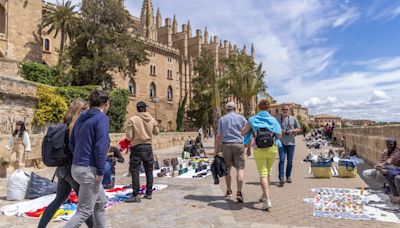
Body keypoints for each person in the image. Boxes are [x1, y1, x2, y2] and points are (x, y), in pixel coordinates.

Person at [39, 99, 93, 228]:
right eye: (85, 109)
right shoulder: (76, 127)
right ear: (80, 110)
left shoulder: (63, 124)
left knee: (59, 200)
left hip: (62, 170)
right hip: (72, 170)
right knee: (85, 205)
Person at [65, 90, 110, 228]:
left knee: (100, 202)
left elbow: (72, 142)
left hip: (77, 167)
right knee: (84, 211)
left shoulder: (81, 117)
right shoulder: (101, 119)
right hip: (89, 170)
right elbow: (101, 147)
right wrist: (101, 172)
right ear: (105, 103)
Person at [242, 99, 282, 211]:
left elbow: (243, 133)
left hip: (259, 149)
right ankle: (264, 195)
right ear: (269, 108)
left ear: (258, 108)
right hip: (272, 148)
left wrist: (251, 131)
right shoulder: (273, 120)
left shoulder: (252, 119)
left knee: (263, 174)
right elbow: (279, 136)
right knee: (268, 173)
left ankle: (267, 200)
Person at [125, 101, 159, 203]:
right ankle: (148, 193)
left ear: (137, 109)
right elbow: (156, 132)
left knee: (135, 171)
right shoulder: (152, 119)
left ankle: (136, 195)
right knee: (149, 171)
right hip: (148, 147)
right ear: (145, 109)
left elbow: (129, 136)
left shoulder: (132, 120)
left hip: (136, 147)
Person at [215, 101, 247, 203]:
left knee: (227, 169)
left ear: (226, 109)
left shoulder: (222, 119)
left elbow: (218, 136)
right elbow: (247, 133)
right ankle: (239, 192)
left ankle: (229, 191)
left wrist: (216, 150)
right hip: (239, 144)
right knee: (240, 169)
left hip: (226, 145)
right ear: (235, 108)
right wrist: (249, 146)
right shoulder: (241, 118)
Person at [277, 105, 301, 186]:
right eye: (283, 109)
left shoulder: (293, 118)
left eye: (286, 109)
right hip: (281, 143)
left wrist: (292, 131)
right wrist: (281, 131)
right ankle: (281, 177)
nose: (285, 110)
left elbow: (299, 128)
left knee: (290, 161)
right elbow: (274, 129)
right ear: (281, 110)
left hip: (291, 143)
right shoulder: (278, 119)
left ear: (289, 110)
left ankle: (288, 176)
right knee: (282, 160)